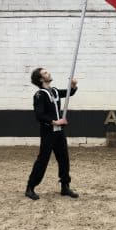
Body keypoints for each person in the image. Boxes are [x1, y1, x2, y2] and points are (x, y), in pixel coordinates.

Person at [25, 67, 79, 200]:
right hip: (48, 133)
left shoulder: (54, 91)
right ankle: (30, 187)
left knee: (64, 159)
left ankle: (65, 187)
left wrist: (72, 86)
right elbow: (39, 115)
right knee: (42, 160)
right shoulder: (40, 95)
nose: (48, 73)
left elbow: (68, 93)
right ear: (41, 79)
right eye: (45, 73)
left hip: (59, 133)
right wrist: (55, 122)